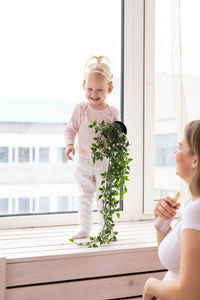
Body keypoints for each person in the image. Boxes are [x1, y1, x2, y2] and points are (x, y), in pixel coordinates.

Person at [143, 120, 200, 300]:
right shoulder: (193, 203)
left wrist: (151, 285)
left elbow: (190, 293)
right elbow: (176, 261)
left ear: (195, 160)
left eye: (180, 146)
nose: (175, 153)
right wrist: (163, 221)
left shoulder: (196, 210)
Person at [64, 56, 119, 239]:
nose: (93, 94)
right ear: (83, 86)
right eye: (89, 89)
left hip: (103, 160)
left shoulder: (112, 112)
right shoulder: (81, 109)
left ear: (109, 89)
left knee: (104, 197)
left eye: (99, 90)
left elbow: (119, 134)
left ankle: (106, 230)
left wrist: (115, 142)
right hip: (83, 160)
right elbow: (71, 128)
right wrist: (69, 144)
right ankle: (84, 228)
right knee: (84, 196)